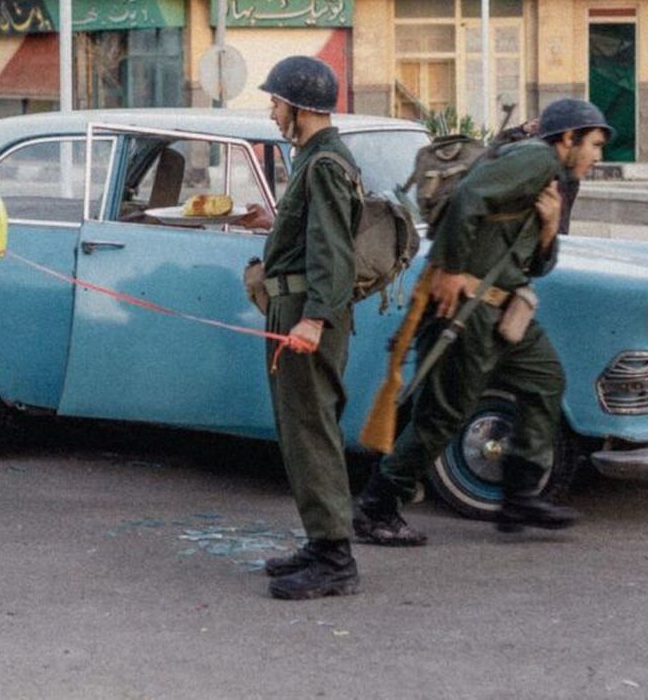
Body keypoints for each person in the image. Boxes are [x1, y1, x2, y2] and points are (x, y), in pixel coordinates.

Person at [352, 98, 609, 544]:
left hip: (505, 311)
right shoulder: (535, 158)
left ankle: (518, 497)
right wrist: (449, 269)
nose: (597, 157)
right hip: (466, 310)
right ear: (567, 139)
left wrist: (548, 229)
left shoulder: (549, 177)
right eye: (593, 145)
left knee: (545, 379)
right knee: (442, 415)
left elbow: (535, 265)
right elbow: (469, 197)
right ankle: (377, 506)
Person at [250, 55, 364, 600]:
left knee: (311, 432)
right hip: (297, 311)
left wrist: (315, 320)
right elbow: (307, 231)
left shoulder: (324, 163)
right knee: (302, 433)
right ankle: (321, 544)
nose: (271, 113)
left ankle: (335, 560)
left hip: (307, 316)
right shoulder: (312, 157)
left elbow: (332, 251)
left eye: (275, 103)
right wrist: (268, 224)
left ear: (298, 107)